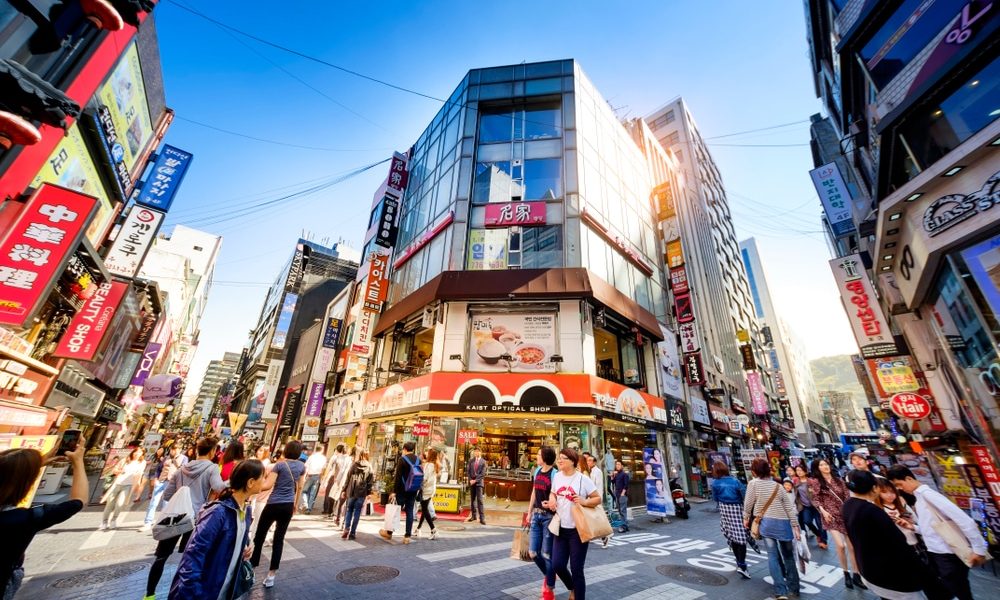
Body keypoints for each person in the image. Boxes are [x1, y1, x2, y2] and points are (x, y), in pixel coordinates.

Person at [887, 465, 988, 600]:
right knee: (950, 591)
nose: (899, 489)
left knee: (958, 591)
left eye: (899, 484)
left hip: (948, 554)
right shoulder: (920, 499)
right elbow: (932, 527)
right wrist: (913, 528)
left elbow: (964, 520)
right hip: (937, 553)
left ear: (909, 478)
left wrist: (979, 549)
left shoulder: (929, 495)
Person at [0, 445, 87, 598]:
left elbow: (7, 475)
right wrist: (78, 462)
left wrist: (35, 464)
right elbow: (78, 501)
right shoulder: (24, 518)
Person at [146, 436, 227, 600]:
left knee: (161, 557)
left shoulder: (182, 469)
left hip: (175, 517)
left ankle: (149, 595)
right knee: (190, 557)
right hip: (195, 518)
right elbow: (219, 487)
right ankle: (182, 592)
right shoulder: (211, 468)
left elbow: (167, 495)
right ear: (212, 451)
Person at [168, 460, 263, 600]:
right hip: (204, 592)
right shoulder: (218, 512)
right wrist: (194, 594)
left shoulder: (246, 511)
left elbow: (232, 547)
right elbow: (193, 556)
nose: (265, 481)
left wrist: (244, 550)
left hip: (225, 590)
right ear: (250, 483)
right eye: (263, 477)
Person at [843, 469, 941, 600]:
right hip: (893, 579)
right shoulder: (873, 512)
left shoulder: (847, 506)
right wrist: (926, 576)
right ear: (874, 488)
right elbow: (901, 547)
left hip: (869, 572)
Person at [542, 448, 601, 600]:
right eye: (559, 458)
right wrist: (553, 499)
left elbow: (597, 498)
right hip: (561, 528)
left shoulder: (582, 479)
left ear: (573, 461)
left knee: (577, 569)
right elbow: (553, 492)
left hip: (578, 531)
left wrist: (585, 501)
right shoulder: (558, 477)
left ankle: (578, 594)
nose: (559, 461)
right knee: (557, 565)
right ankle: (572, 588)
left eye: (563, 458)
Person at [250, 439, 305, 589]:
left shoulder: (279, 465)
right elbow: (300, 487)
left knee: (259, 536)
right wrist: (295, 504)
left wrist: (252, 486)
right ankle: (271, 575)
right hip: (288, 506)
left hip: (273, 503)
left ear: (286, 450)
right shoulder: (301, 466)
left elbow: (268, 485)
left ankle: (252, 569)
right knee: (279, 539)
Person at [743, 458, 800, 600]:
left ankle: (781, 591)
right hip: (784, 524)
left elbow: (748, 503)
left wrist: (745, 518)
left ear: (755, 471)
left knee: (772, 556)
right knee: (788, 557)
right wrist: (795, 526)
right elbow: (788, 507)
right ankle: (794, 588)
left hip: (767, 524)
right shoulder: (778, 486)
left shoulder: (753, 484)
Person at [808, 458, 865, 590]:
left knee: (852, 547)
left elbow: (847, 496)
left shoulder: (839, 480)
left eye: (826, 464)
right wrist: (823, 511)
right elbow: (816, 499)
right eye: (821, 465)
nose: (825, 466)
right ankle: (846, 573)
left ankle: (856, 575)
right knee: (840, 545)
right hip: (830, 517)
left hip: (845, 515)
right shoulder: (816, 482)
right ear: (818, 468)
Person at [528, 447, 568, 592]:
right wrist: (529, 512)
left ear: (545, 457)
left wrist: (552, 504)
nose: (536, 457)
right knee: (533, 553)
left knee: (546, 554)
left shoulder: (555, 474)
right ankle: (550, 574)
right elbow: (534, 492)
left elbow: (558, 495)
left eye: (538, 455)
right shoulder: (537, 471)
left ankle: (549, 588)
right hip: (536, 515)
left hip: (548, 518)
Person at [710, 461, 751, 579]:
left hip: (724, 509)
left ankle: (739, 562)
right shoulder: (735, 481)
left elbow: (715, 498)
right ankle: (742, 565)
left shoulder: (715, 483)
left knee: (732, 535)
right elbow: (744, 494)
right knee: (741, 536)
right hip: (737, 508)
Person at [380, 441, 421, 543]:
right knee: (410, 512)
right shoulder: (418, 460)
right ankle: (407, 536)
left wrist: (394, 491)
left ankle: (389, 533)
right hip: (413, 490)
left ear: (405, 449)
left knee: (395, 511)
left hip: (402, 490)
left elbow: (397, 477)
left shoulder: (402, 460)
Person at [101, 446, 146, 530]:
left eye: (140, 452)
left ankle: (114, 520)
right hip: (117, 484)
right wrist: (120, 471)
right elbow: (114, 470)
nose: (137, 454)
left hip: (128, 485)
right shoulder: (125, 460)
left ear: (142, 454)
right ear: (133, 452)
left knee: (120, 504)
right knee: (110, 503)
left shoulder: (142, 462)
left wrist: (137, 488)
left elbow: (140, 475)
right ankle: (104, 522)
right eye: (136, 452)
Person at [143, 445, 186, 531]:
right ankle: (148, 522)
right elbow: (159, 468)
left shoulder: (184, 458)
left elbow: (182, 470)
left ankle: (162, 522)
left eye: (175, 449)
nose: (173, 451)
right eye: (172, 449)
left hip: (171, 482)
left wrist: (175, 461)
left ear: (179, 450)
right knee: (154, 502)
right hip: (161, 480)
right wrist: (156, 478)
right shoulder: (166, 457)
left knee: (166, 503)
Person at [874, 476, 919, 546]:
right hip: (896, 547)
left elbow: (917, 521)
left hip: (915, 543)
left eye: (892, 491)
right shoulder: (877, 510)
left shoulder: (903, 505)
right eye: (884, 492)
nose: (889, 495)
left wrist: (911, 521)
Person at [341, 449, 373, 540]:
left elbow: (348, 477)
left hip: (352, 491)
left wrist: (344, 489)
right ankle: (353, 533)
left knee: (349, 510)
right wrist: (369, 492)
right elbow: (370, 482)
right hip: (362, 493)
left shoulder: (355, 464)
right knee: (357, 512)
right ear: (367, 456)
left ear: (360, 455)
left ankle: (346, 528)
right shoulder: (369, 466)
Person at [794, 464, 827, 549]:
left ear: (805, 471)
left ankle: (824, 541)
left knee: (820, 523)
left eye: (801, 470)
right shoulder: (796, 482)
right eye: (797, 470)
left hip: (816, 506)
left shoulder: (811, 481)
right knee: (807, 521)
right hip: (805, 506)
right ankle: (818, 534)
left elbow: (819, 492)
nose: (799, 472)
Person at [582, 453, 609, 548]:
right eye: (587, 460)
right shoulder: (589, 471)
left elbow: (599, 486)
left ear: (594, 462)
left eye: (590, 460)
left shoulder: (597, 471)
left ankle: (605, 536)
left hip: (595, 498)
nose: (588, 462)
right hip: (589, 498)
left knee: (597, 518)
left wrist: (598, 499)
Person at [414, 448, 440, 539]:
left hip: (426, 490)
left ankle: (433, 530)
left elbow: (425, 478)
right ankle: (418, 529)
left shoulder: (429, 465)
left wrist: (419, 483)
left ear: (430, 455)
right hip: (431, 489)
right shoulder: (436, 465)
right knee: (424, 509)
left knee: (425, 509)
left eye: (427, 453)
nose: (426, 454)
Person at [300, 444, 326, 514]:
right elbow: (323, 469)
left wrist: (305, 476)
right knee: (312, 493)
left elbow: (306, 466)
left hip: (310, 475)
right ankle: (309, 509)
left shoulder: (311, 457)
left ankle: (306, 503)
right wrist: (321, 478)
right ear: (322, 450)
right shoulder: (323, 458)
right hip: (317, 476)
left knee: (305, 491)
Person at [465, 447, 486, 525]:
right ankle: (473, 516)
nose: (475, 453)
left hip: (479, 483)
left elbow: (482, 474)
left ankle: (482, 518)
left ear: (480, 452)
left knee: (480, 500)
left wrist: (475, 480)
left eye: (477, 451)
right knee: (472, 500)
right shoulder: (471, 461)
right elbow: (468, 471)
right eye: (475, 451)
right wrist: (470, 479)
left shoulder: (483, 462)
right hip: (471, 482)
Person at [611, 460, 630, 532]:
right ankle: (625, 525)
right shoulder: (617, 474)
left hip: (622, 495)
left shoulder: (624, 474)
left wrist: (623, 493)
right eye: (616, 465)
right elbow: (613, 482)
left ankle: (624, 527)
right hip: (617, 494)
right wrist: (612, 476)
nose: (617, 466)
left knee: (623, 510)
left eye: (619, 464)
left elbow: (626, 485)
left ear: (622, 466)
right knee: (620, 510)